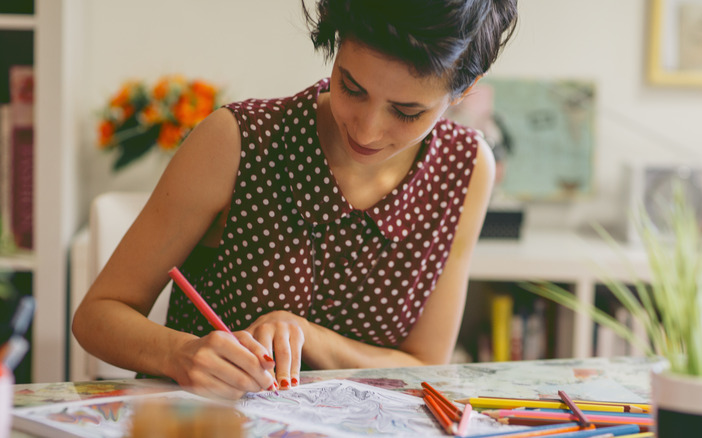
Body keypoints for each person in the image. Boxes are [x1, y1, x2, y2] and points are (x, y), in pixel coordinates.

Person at [73, 0, 518, 400]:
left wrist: (308, 336)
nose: (366, 130)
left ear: (464, 89)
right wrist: (181, 354)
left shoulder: (465, 166)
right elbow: (97, 316)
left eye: (406, 112)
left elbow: (425, 365)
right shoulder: (239, 141)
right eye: (351, 87)